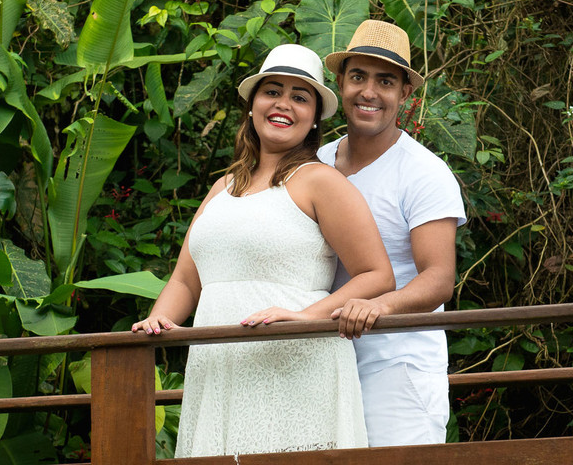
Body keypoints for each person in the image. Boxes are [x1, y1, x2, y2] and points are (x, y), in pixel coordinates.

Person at [132, 43, 395, 456]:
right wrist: (157, 322)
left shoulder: (319, 182)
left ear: (313, 120)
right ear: (253, 104)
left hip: (295, 365)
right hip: (220, 368)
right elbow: (186, 278)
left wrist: (305, 317)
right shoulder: (223, 187)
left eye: (299, 96)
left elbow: (377, 275)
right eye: (272, 91)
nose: (283, 104)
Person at [319, 19, 466, 446]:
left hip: (399, 366)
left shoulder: (423, 172)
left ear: (405, 94)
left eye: (385, 81)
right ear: (340, 83)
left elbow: (439, 279)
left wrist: (376, 306)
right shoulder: (316, 164)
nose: (368, 92)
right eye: (358, 77)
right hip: (325, 363)